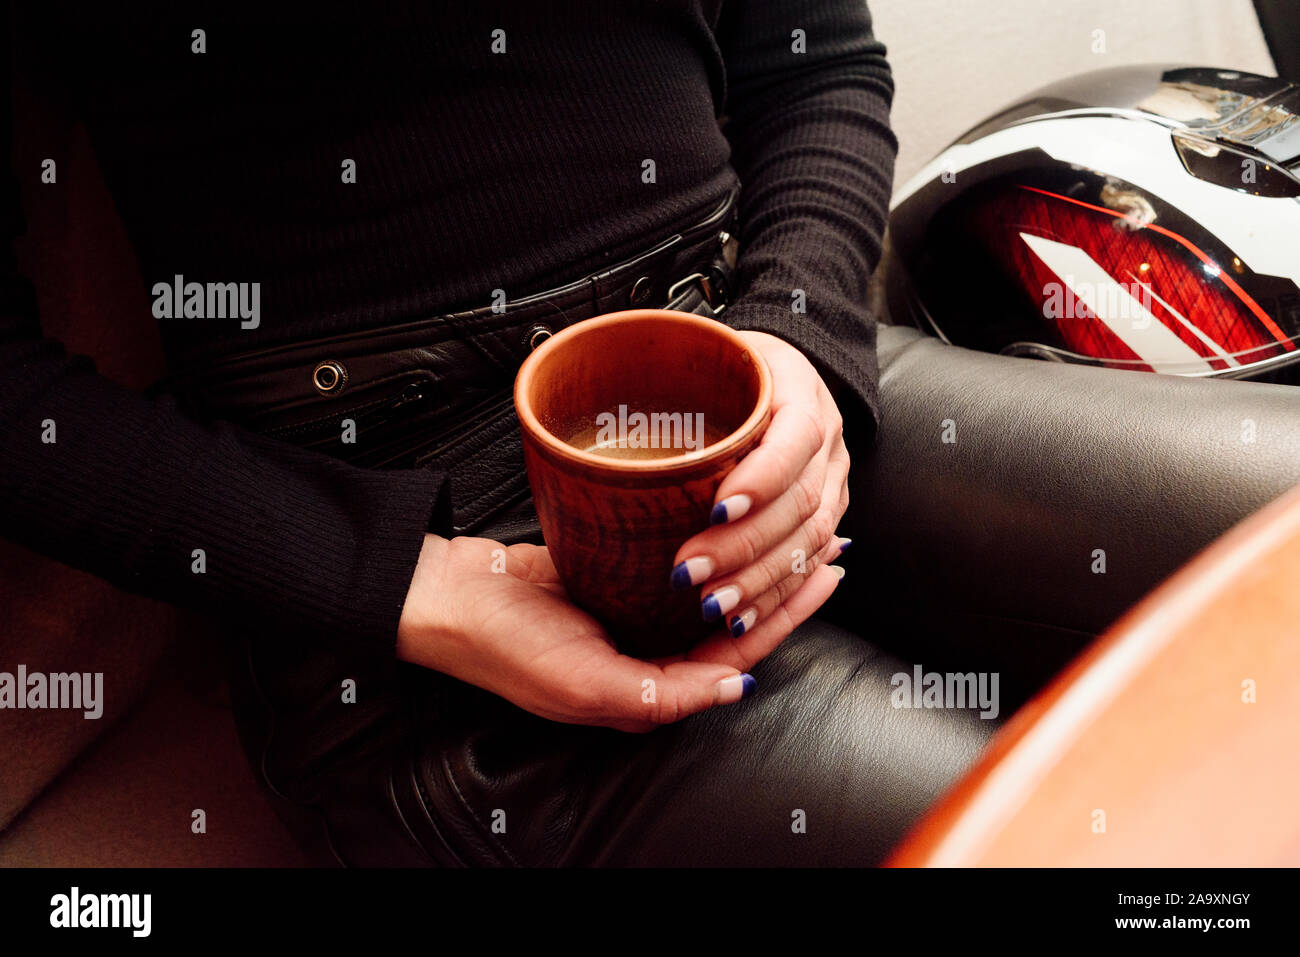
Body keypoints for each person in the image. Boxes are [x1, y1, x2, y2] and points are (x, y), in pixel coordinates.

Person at [1, 2, 994, 865]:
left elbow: (817, 58)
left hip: (760, 358)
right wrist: (403, 583)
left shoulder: (791, 360)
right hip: (416, 582)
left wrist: (801, 344)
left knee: (1161, 569)